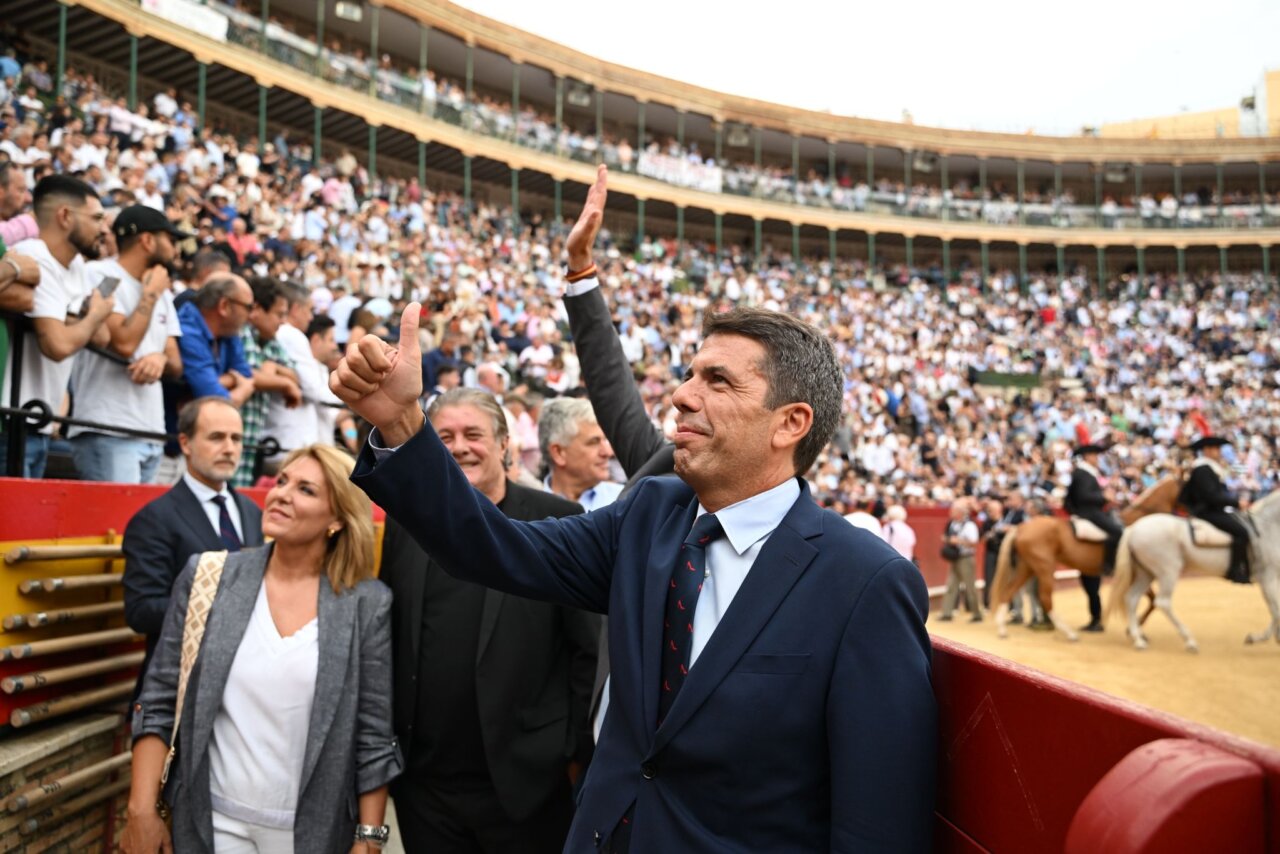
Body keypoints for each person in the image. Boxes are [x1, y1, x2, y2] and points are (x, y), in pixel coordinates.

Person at [333, 164, 936, 852]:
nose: (681, 395)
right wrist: (403, 425)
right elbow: (492, 546)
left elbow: (877, 826)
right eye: (686, 373)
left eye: (716, 381)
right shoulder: (648, 515)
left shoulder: (864, 583)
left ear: (790, 422)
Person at [123, 444, 403, 853]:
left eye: (306, 490)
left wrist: (370, 838)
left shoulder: (367, 603)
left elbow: (373, 733)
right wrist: (141, 811)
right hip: (207, 823)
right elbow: (160, 699)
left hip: (312, 832)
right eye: (283, 481)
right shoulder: (209, 577)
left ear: (337, 520)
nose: (282, 494)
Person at [379, 388, 599, 852]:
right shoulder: (406, 525)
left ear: (504, 444)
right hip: (426, 788)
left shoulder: (556, 518)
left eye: (473, 434)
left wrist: (575, 756)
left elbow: (586, 652)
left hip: (528, 786)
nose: (460, 447)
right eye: (446, 437)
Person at [122, 396, 264, 695]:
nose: (229, 448)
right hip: (179, 686)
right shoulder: (153, 519)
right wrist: (224, 608)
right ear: (185, 443)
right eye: (216, 437)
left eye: (236, 438)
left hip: (247, 681)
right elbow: (142, 610)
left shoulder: (252, 513)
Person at [1, 174, 114, 477]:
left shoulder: (76, 265)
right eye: (97, 218)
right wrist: (92, 316)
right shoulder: (35, 254)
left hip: (38, 421)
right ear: (65, 216)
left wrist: (87, 320)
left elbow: (101, 337)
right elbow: (58, 345)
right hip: (13, 421)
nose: (104, 229)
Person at [68, 205, 186, 483]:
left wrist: (159, 359)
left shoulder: (164, 293)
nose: (175, 249)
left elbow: (176, 362)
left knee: (140, 527)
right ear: (147, 240)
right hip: (107, 428)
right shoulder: (101, 275)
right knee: (114, 525)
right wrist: (150, 295)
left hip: (150, 432)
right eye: (170, 240)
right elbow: (122, 343)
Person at [233, 277, 302, 486]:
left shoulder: (271, 343)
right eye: (279, 314)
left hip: (249, 441)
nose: (282, 321)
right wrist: (283, 383)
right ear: (257, 310)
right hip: (231, 431)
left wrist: (273, 369)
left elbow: (295, 375)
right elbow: (246, 374)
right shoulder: (240, 332)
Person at [1179, 435, 1251, 583]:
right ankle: (1235, 570)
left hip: (1211, 509)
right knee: (1242, 533)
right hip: (1207, 511)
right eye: (1216, 449)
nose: (1219, 452)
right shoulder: (1204, 469)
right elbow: (1212, 496)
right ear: (1207, 450)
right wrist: (1237, 503)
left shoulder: (1207, 468)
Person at [1065, 443, 1120, 630]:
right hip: (1090, 513)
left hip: (1088, 513)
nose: (1097, 458)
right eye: (1094, 455)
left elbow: (1070, 499)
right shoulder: (1083, 473)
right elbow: (1083, 497)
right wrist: (1104, 498)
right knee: (1118, 532)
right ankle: (1109, 564)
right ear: (1087, 456)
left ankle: (1096, 620)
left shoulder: (1084, 472)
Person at [539, 396, 624, 511]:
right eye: (593, 442)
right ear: (558, 453)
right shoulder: (528, 512)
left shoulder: (625, 501)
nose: (608, 453)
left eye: (605, 440)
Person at [939, 499, 981, 623]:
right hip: (955, 558)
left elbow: (974, 543)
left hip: (966, 558)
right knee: (951, 585)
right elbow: (945, 537)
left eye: (953, 510)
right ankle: (946, 613)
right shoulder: (952, 524)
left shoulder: (970, 525)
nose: (951, 513)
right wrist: (947, 540)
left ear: (960, 512)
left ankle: (977, 614)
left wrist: (958, 541)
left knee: (970, 587)